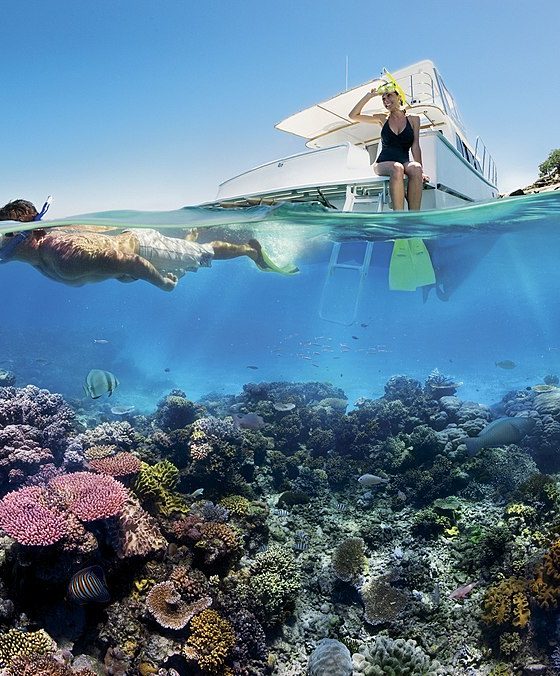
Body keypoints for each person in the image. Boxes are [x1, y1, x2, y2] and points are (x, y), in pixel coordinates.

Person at [0, 199, 297, 291]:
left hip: (142, 249)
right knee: (184, 259)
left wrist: (161, 285)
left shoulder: (61, 253)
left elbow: (129, 262)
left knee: (200, 256)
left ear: (20, 234)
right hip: (128, 264)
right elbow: (119, 266)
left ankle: (250, 249)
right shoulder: (40, 260)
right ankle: (188, 237)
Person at [349, 83, 428, 210]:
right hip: (383, 163)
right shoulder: (382, 118)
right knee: (397, 168)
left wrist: (422, 172)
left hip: (404, 160)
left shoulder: (414, 119)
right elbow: (353, 116)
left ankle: (414, 216)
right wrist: (369, 96)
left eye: (389, 96)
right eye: (383, 99)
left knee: (416, 168)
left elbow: (415, 145)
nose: (386, 101)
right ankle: (399, 216)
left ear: (399, 97)